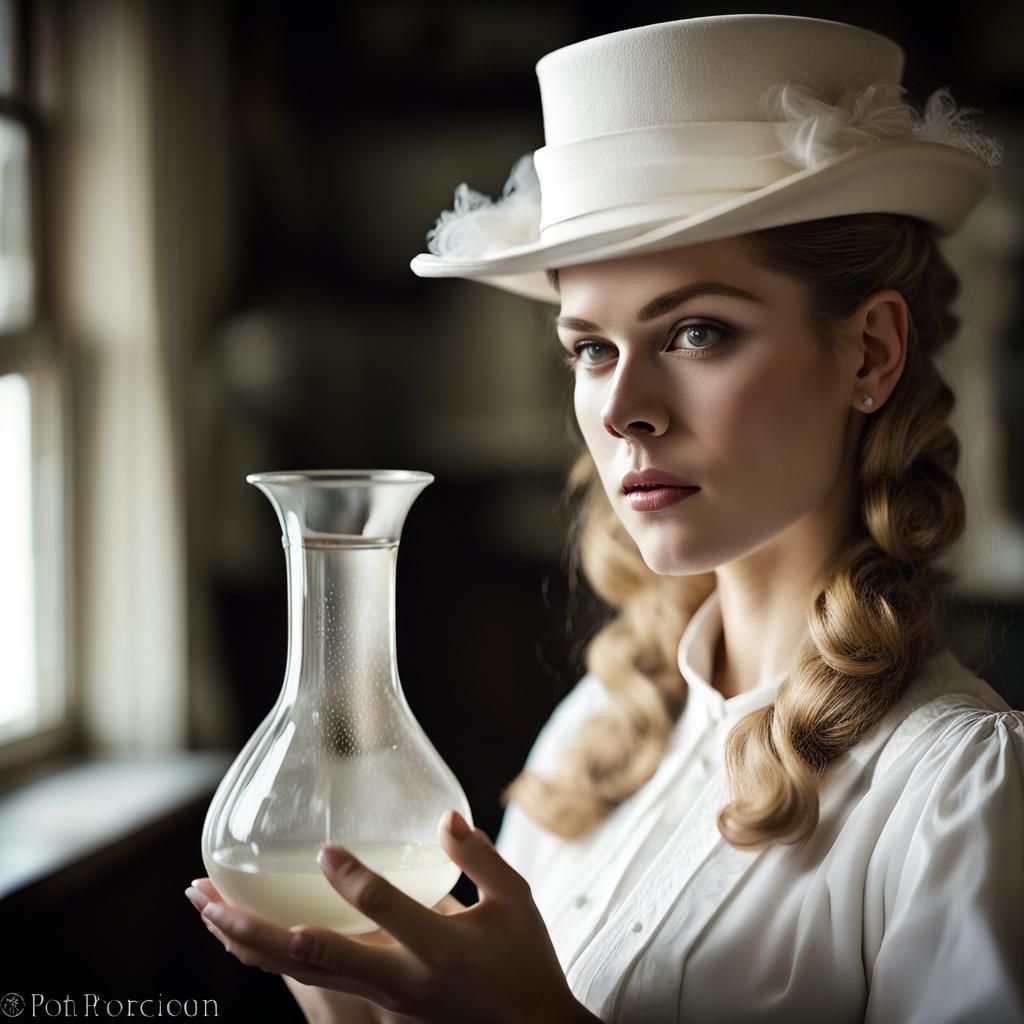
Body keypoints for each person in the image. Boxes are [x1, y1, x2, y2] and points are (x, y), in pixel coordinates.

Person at [184, 14, 1024, 1023]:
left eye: (697, 331)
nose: (623, 407)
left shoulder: (957, 791)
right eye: (588, 347)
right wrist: (344, 975)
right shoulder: (604, 729)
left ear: (871, 352)